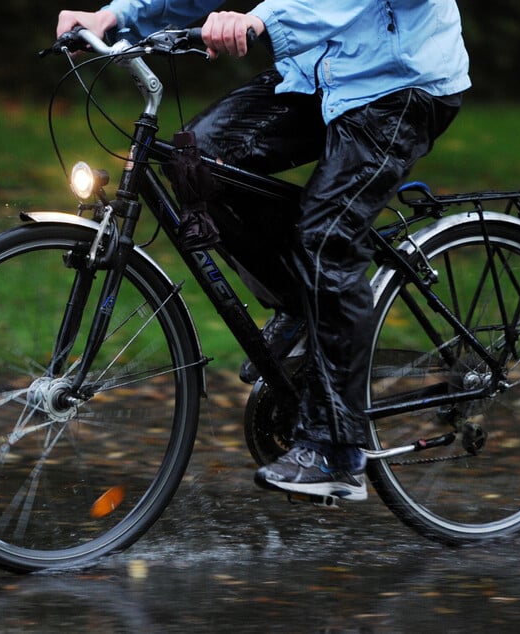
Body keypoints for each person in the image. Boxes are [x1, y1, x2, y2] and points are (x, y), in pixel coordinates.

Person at [56, 2, 471, 503]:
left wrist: (259, 20)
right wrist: (116, 15)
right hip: (317, 74)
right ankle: (303, 306)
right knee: (201, 161)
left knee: (327, 237)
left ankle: (337, 451)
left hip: (400, 83)